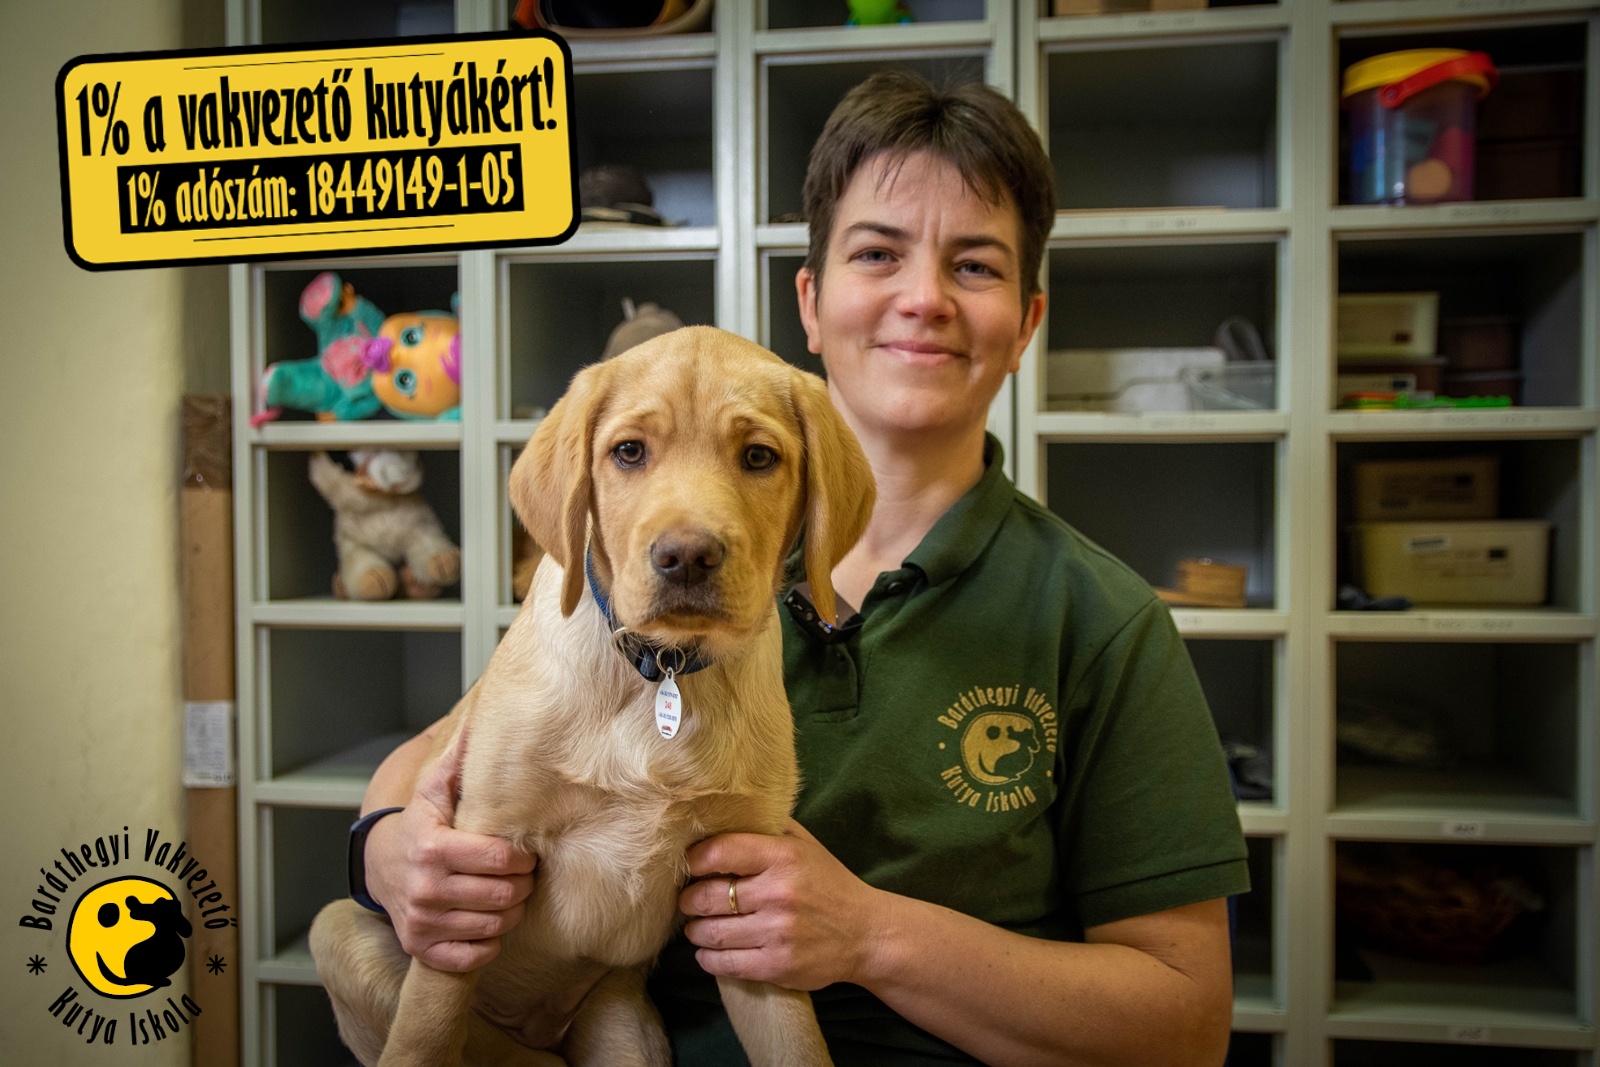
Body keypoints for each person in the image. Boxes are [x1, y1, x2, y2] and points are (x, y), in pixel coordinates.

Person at [355, 71, 1249, 1067]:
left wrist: (872, 934)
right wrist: (386, 854)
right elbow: (450, 755)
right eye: (878, 252)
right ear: (812, 302)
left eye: (977, 266)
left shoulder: (1097, 616)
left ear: (1027, 322)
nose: (923, 298)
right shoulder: (652, 575)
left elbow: (1185, 1023)